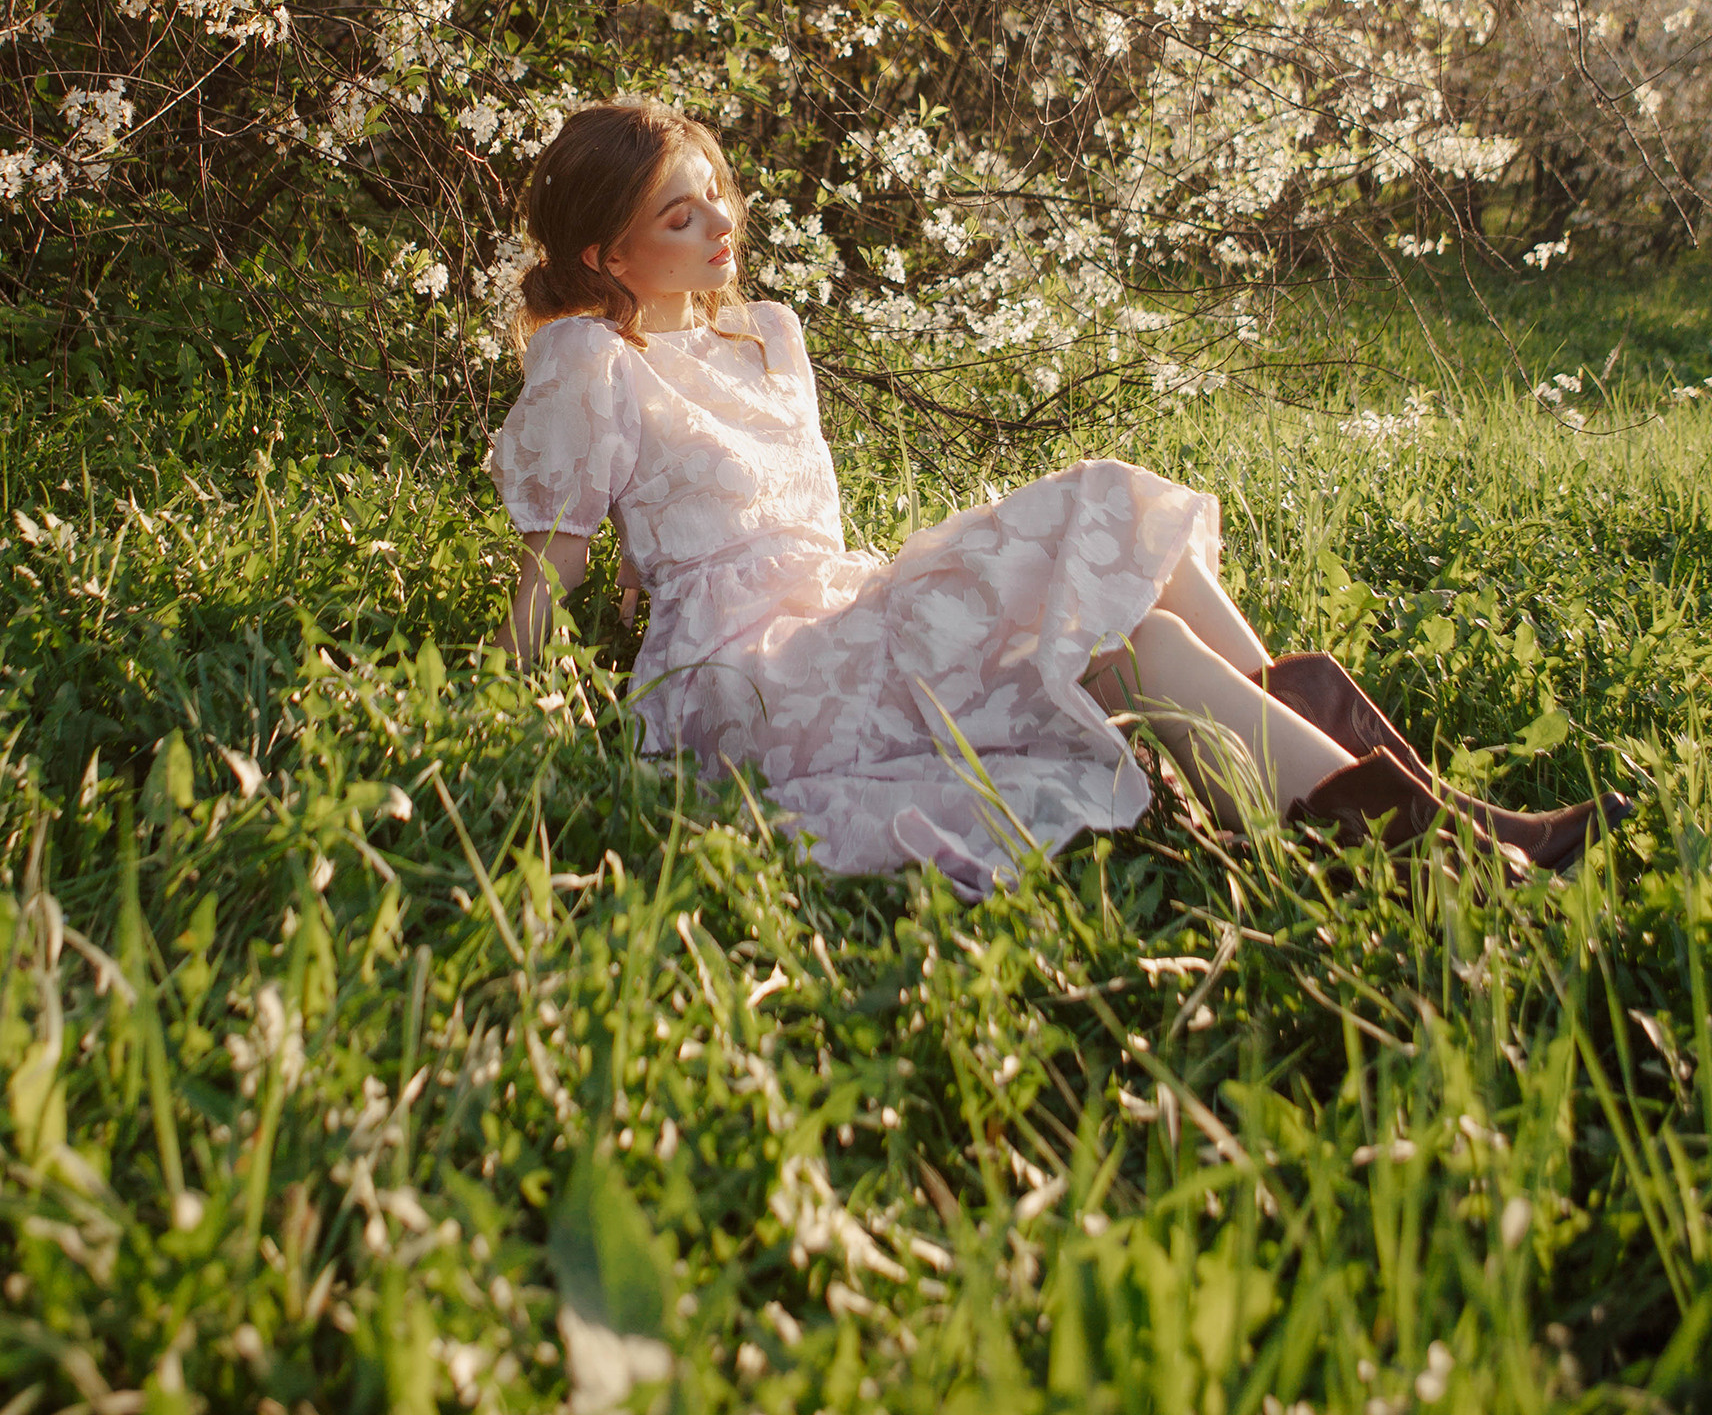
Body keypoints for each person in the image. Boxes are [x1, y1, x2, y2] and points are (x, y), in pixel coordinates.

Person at [492, 98, 1613, 892]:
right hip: (751, 669)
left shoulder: (770, 336)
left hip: (845, 604)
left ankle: (1436, 831)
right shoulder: (589, 361)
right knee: (1129, 580)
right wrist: (505, 725)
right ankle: (1436, 851)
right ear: (606, 255)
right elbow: (559, 558)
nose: (721, 224)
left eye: (714, 196)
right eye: (678, 215)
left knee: (1140, 587)